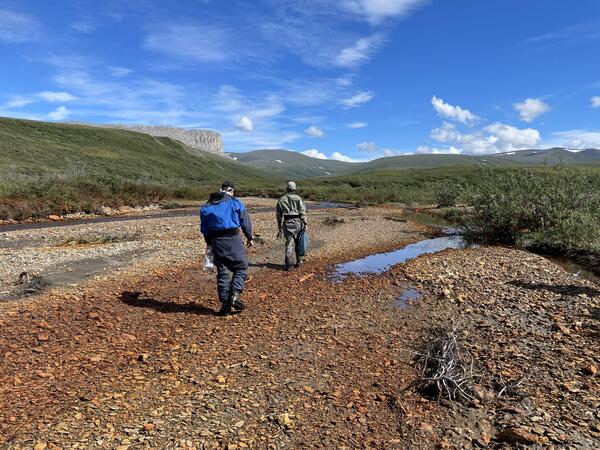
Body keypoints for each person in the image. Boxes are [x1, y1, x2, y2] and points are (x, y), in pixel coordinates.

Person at [200, 182, 253, 316]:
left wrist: (210, 244)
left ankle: (225, 306)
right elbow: (245, 221)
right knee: (241, 267)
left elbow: (205, 230)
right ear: (231, 191)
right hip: (233, 239)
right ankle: (235, 295)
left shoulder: (206, 207)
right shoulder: (235, 203)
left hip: (216, 241)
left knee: (222, 272)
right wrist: (249, 237)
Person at [276, 181, 307, 271]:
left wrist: (279, 225)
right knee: (299, 242)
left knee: (288, 244)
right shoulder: (298, 198)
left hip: (287, 222)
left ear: (287, 189)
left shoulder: (282, 199)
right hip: (298, 222)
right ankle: (299, 262)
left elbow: (278, 214)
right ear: (295, 189)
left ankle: (288, 265)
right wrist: (305, 223)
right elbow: (302, 212)